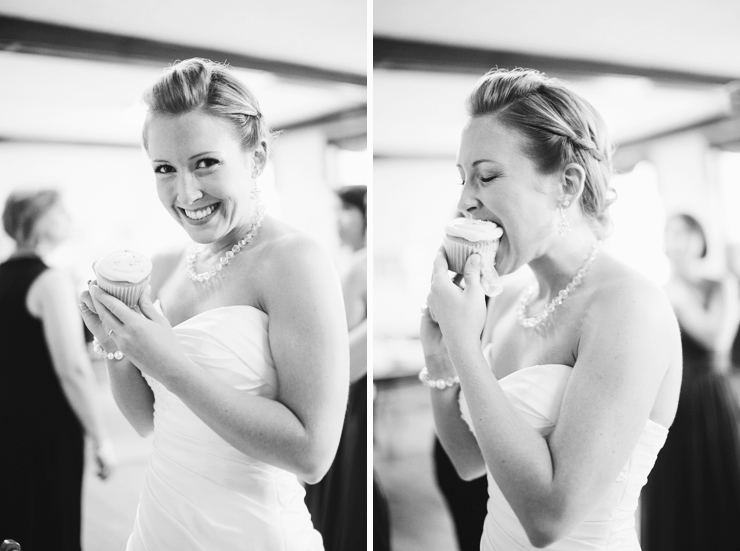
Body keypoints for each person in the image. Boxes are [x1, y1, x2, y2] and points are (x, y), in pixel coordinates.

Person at [78, 58, 349, 551]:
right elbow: (148, 422)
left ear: (257, 157)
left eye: (206, 162)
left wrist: (170, 363)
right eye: (165, 169)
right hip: (159, 523)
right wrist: (114, 344)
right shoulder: (164, 265)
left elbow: (312, 455)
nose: (186, 193)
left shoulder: (294, 261)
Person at [421, 68, 682, 550]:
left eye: (486, 176)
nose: (463, 203)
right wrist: (441, 360)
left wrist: (465, 347)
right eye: (462, 180)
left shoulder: (629, 307)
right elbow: (466, 460)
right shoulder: (508, 303)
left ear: (566, 183)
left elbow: (549, 518)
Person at [0, 188, 113, 551]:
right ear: (39, 219)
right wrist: (101, 438)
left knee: (13, 527)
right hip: (44, 430)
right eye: (61, 212)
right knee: (51, 526)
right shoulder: (50, 281)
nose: (69, 219)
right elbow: (73, 370)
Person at [640, 213, 740, 550]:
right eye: (672, 234)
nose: (679, 241)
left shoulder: (720, 285)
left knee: (720, 478)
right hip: (672, 402)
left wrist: (680, 300)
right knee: (676, 488)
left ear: (700, 241)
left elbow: (718, 341)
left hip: (712, 397)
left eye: (686, 233)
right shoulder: (656, 292)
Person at [305, 185, 367, 551]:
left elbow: (334, 359)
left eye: (345, 211)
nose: (338, 222)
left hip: (348, 401)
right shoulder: (353, 266)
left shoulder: (357, 269)